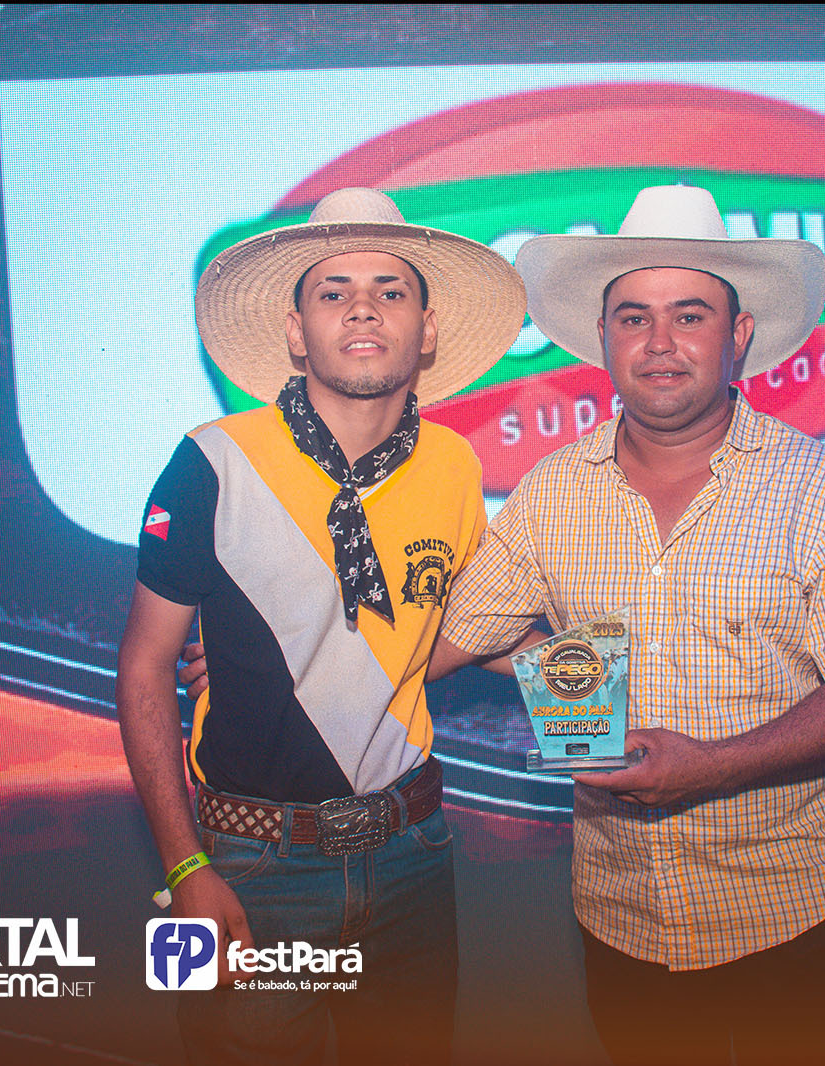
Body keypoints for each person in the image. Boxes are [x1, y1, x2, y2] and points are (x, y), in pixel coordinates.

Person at [434, 185, 825, 1066]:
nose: (658, 342)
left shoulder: (817, 487)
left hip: (788, 913)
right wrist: (270, 656)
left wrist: (712, 765)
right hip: (620, 914)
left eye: (688, 315)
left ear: (738, 336)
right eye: (633, 318)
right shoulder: (551, 492)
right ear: (603, 338)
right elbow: (452, 637)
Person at [117, 186, 525, 1066]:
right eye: (333, 291)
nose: (362, 309)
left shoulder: (454, 463)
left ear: (426, 329)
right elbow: (145, 668)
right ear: (297, 331)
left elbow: (460, 629)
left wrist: (596, 675)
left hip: (415, 849)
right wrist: (185, 869)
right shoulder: (210, 459)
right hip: (244, 859)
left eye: (390, 290)